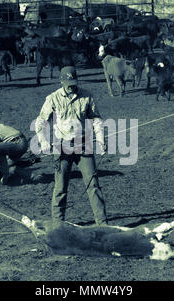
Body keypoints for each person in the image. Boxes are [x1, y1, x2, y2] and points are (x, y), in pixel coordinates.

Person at [35, 66, 108, 225]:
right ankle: (58, 224)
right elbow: (41, 122)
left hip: (84, 145)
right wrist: (44, 141)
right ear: (61, 81)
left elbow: (96, 119)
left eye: (74, 83)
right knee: (60, 188)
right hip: (62, 147)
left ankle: (102, 223)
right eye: (68, 83)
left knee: (93, 184)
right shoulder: (52, 98)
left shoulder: (87, 96)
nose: (72, 86)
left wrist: (101, 139)